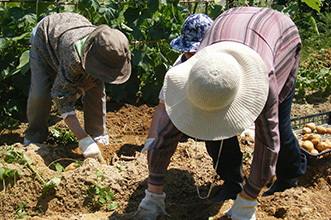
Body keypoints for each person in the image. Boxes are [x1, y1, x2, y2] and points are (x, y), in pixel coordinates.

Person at [134, 7, 307, 220]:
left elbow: (269, 141)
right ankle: (232, 182)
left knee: (280, 123)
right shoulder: (195, 71)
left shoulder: (265, 79)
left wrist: (248, 200)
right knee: (210, 125)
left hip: (280, 37)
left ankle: (289, 177)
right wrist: (153, 193)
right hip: (231, 22)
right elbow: (166, 131)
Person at [24, 12, 131, 163]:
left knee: (96, 87)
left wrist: (82, 89)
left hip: (71, 28)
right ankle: (34, 137)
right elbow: (61, 96)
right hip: (45, 38)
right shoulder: (73, 56)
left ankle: (97, 135)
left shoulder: (106, 47)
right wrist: (83, 139)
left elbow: (93, 83)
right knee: (40, 94)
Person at [141, 13, 213, 153]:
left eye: (196, 51)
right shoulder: (178, 68)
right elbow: (163, 107)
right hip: (188, 124)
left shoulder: (223, 64)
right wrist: (151, 142)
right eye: (188, 52)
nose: (192, 56)